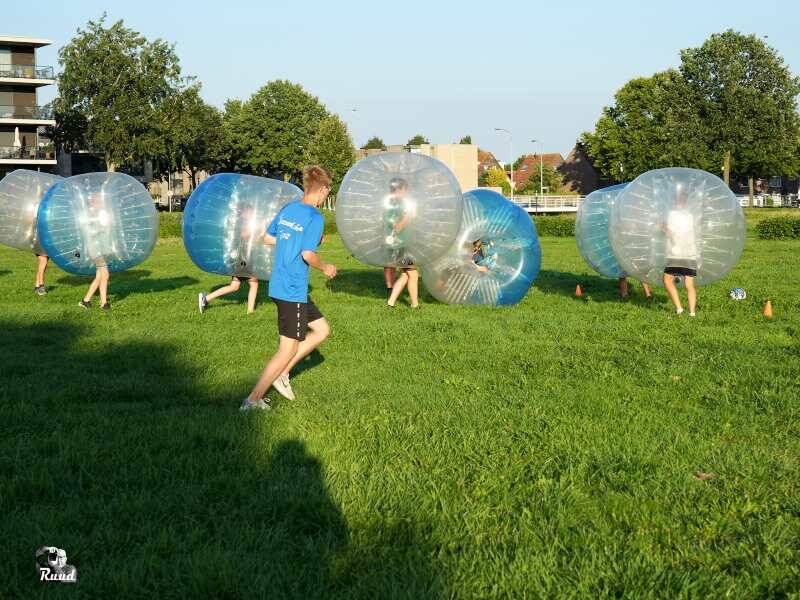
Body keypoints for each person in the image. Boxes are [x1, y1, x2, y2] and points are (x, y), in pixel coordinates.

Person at [241, 165, 336, 411]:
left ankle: (282, 374)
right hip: (291, 289)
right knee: (288, 348)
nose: (327, 194)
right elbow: (307, 255)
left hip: (282, 285)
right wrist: (325, 267)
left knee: (322, 330)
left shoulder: (289, 209)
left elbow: (267, 237)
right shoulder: (315, 217)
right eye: (328, 190)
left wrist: (295, 240)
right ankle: (253, 399)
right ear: (322, 189)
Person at [199, 205, 261, 314]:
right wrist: (258, 229)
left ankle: (206, 299)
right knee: (253, 282)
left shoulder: (244, 222)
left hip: (242, 258)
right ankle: (250, 311)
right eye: (250, 212)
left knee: (235, 286)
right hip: (242, 259)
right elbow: (244, 235)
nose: (252, 214)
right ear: (244, 212)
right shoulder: (242, 223)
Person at [662, 189, 698, 316]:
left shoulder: (672, 214)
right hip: (690, 252)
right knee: (689, 284)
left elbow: (671, 233)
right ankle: (692, 313)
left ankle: (679, 309)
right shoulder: (690, 215)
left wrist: (663, 227)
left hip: (676, 253)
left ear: (676, 201)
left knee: (667, 280)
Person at [385, 178, 420, 308]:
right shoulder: (393, 207)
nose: (407, 192)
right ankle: (415, 304)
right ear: (398, 190)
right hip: (399, 247)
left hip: (402, 245)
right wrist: (408, 216)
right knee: (413, 274)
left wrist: (411, 215)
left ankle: (391, 302)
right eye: (405, 189)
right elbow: (397, 227)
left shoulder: (398, 205)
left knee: (406, 274)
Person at [79, 193, 112, 311]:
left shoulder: (101, 213)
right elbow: (91, 232)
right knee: (105, 274)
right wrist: (102, 226)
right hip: (95, 249)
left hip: (102, 248)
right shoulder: (89, 216)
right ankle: (104, 303)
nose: (101, 203)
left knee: (99, 277)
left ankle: (86, 301)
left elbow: (107, 229)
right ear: (93, 203)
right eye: (98, 201)